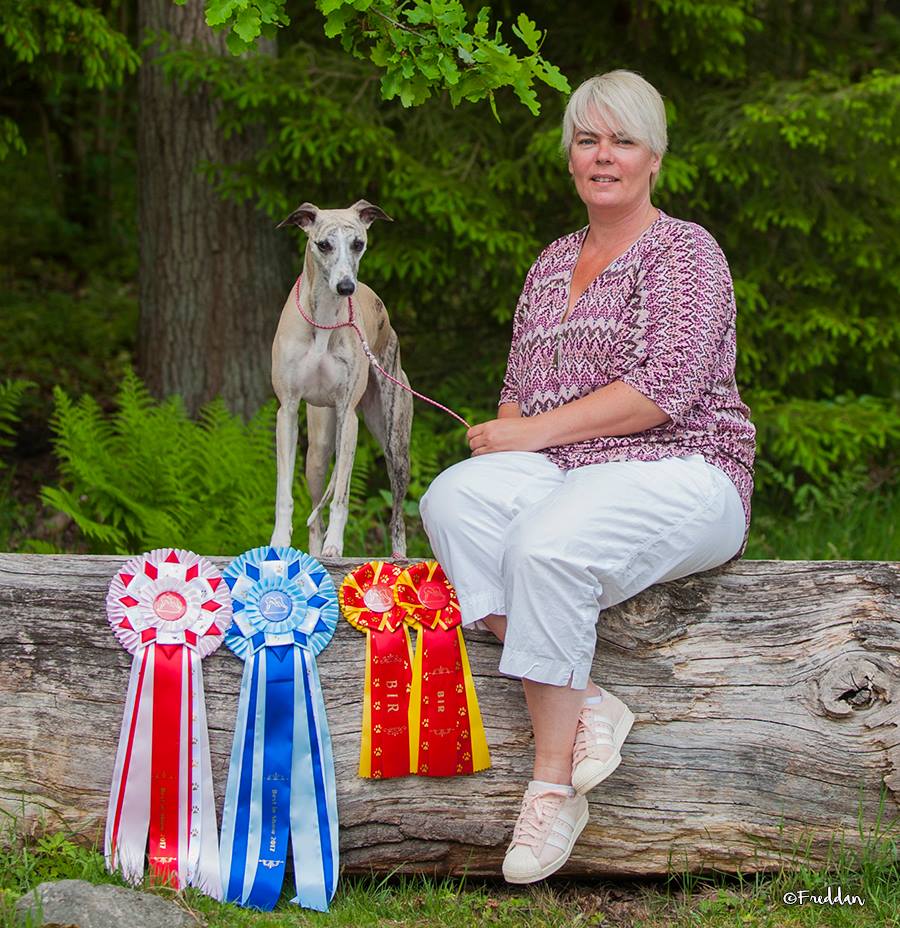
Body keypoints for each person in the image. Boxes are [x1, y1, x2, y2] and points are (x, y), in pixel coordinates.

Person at [418, 69, 756, 885]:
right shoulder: (550, 263)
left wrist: (527, 434)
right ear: (570, 156)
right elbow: (519, 389)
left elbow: (662, 390)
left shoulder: (685, 251)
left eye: (623, 140)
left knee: (542, 545)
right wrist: (504, 438)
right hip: (568, 475)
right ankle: (591, 699)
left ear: (654, 158)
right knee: (453, 499)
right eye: (587, 139)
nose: (603, 156)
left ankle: (551, 787)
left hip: (686, 472)